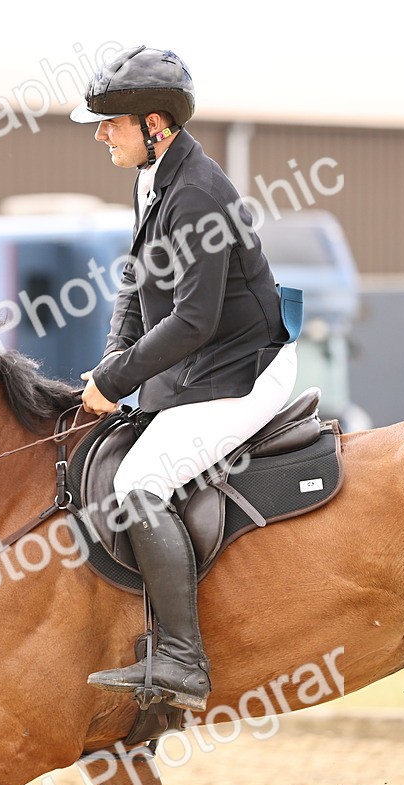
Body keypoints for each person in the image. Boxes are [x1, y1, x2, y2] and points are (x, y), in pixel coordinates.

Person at [70, 46, 299, 712]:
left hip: (243, 371)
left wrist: (113, 383)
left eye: (109, 122)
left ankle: (182, 658)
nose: (100, 133)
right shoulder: (152, 177)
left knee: (140, 482)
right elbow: (136, 287)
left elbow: (194, 320)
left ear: (155, 124)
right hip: (200, 365)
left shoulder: (197, 193)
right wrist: (111, 365)